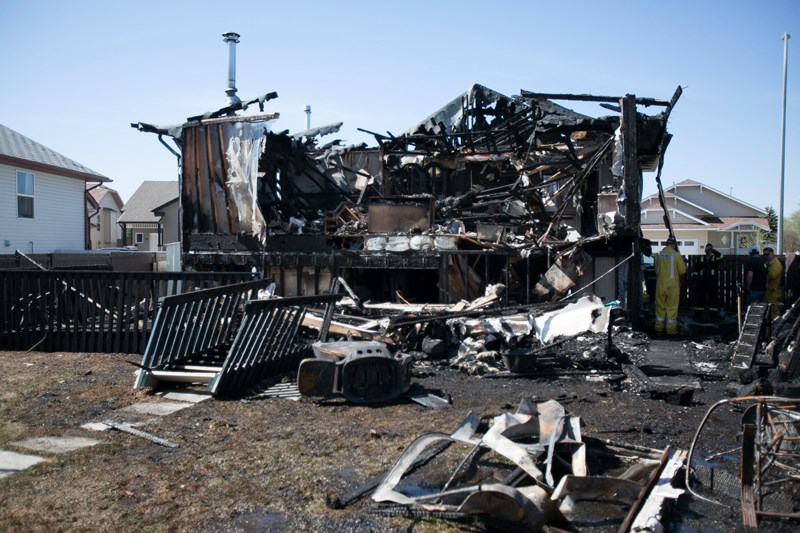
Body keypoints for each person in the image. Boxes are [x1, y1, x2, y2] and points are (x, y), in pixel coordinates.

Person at [654, 236, 686, 335]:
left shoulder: (658, 255)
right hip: (673, 286)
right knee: (671, 308)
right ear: (673, 245)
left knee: (660, 307)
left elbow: (656, 270)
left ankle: (659, 328)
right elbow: (682, 271)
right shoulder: (676, 255)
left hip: (660, 285)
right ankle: (670, 330)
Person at [691, 243, 723, 321]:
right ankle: (698, 317)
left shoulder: (715, 259)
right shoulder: (701, 258)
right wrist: (695, 281)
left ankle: (713, 317)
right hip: (701, 283)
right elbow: (695, 271)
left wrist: (713, 250)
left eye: (709, 249)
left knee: (713, 300)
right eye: (707, 248)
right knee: (700, 300)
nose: (708, 250)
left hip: (712, 283)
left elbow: (721, 257)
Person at [763, 247, 783, 320]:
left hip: (773, 292)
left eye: (767, 254)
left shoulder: (776, 264)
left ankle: (776, 327)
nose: (765, 256)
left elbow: (772, 276)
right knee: (767, 311)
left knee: (774, 311)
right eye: (764, 255)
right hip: (768, 291)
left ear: (772, 253)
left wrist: (764, 272)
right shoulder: (768, 263)